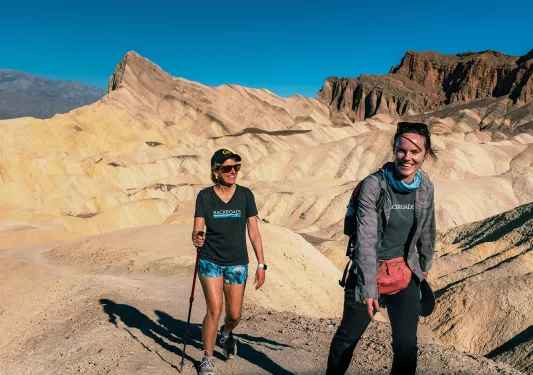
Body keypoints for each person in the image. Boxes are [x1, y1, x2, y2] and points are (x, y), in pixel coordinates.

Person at [326, 122, 437, 375]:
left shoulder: (426, 187)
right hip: (369, 272)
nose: (407, 158)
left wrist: (424, 267)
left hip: (404, 272)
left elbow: (428, 230)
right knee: (347, 339)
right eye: (401, 151)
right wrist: (368, 287)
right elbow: (365, 239)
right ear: (394, 149)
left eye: (414, 152)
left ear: (425, 154)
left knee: (407, 346)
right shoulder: (373, 186)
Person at [192, 148, 267, 375]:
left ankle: (225, 333)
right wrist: (197, 238)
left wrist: (261, 264)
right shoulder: (204, 196)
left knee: (234, 315)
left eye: (236, 167)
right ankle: (208, 357)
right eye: (227, 168)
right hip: (210, 260)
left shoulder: (246, 195)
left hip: (237, 262)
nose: (233, 171)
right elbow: (197, 228)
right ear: (216, 172)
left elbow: (254, 231)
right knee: (214, 309)